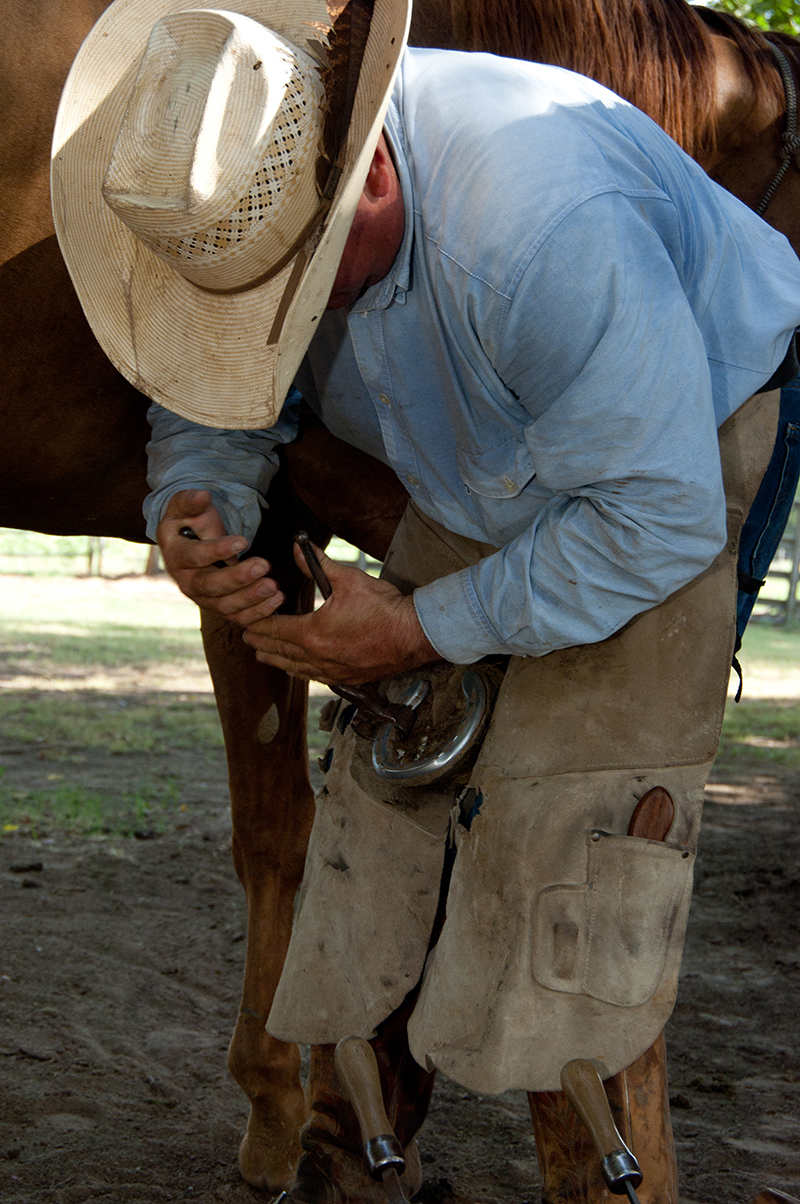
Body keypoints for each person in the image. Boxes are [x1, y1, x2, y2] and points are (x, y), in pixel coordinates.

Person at [54, 1, 800, 1201]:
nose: (271, 336)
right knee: (386, 814)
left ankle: (609, 1181)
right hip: (480, 435)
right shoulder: (230, 171)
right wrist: (199, 499)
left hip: (677, 446)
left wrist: (412, 625)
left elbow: (650, 516)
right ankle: (356, 1166)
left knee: (572, 840)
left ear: (375, 179)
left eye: (288, 307)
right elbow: (216, 361)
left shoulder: (541, 221)